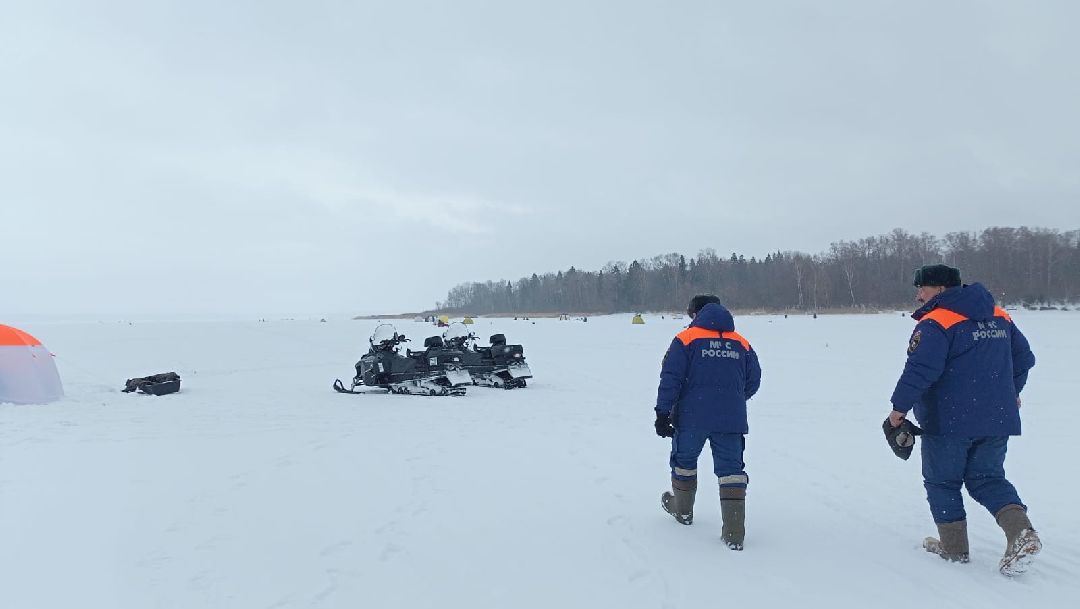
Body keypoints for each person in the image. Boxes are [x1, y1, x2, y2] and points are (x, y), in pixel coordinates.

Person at [888, 264, 1040, 576]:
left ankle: (954, 549)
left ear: (941, 289)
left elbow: (921, 371)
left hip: (950, 419)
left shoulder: (937, 321)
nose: (918, 296)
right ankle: (1021, 532)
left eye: (922, 288)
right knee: (988, 478)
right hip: (997, 416)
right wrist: (1012, 391)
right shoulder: (999, 315)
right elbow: (1024, 358)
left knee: (942, 481)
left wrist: (898, 409)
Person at [654, 295, 762, 550]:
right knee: (731, 470)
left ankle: (682, 511)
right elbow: (754, 380)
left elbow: (671, 377)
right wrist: (731, 399)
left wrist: (662, 412)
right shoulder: (741, 342)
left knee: (684, 463)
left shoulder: (685, 340)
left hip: (692, 417)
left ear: (694, 313)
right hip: (731, 419)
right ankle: (734, 533)